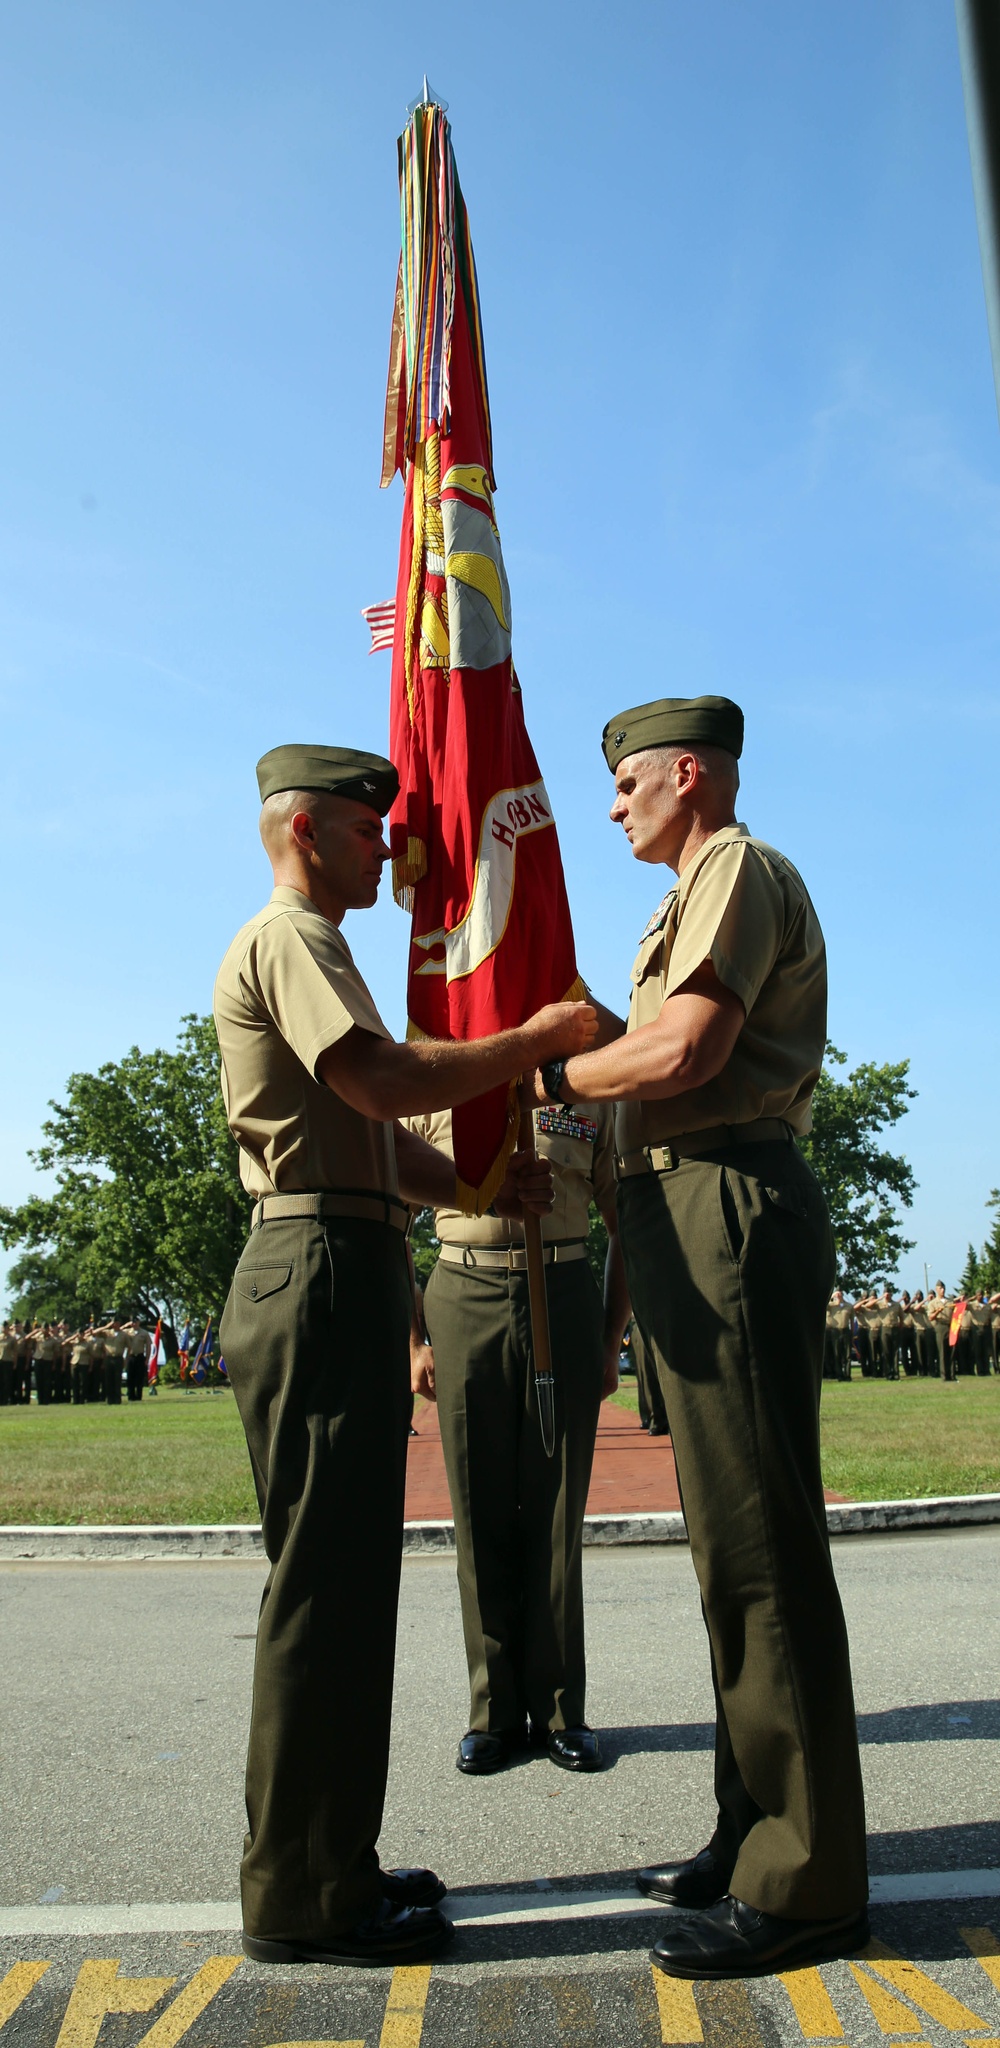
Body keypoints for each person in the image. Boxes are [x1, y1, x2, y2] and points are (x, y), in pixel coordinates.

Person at [214, 742, 596, 1972]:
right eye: (368, 828)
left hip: (348, 1247)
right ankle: (300, 1892)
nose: (392, 846)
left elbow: (381, 1141)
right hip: (317, 1262)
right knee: (323, 1590)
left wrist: (477, 1176)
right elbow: (378, 1084)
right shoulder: (293, 937)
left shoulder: (320, 942)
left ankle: (336, 1858)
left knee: (345, 1582)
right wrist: (527, 1034)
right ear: (307, 829)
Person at [527, 694, 869, 1977]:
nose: (612, 803)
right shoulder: (688, 892)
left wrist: (549, 1069)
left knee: (764, 1552)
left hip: (727, 1197)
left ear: (687, 774)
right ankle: (752, 1833)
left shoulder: (731, 865)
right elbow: (655, 1060)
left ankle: (807, 1880)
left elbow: (683, 1048)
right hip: (685, 1208)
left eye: (625, 783)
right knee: (734, 1552)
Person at [403, 1100, 628, 1776]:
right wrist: (413, 1339)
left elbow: (629, 1224)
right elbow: (390, 1211)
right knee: (480, 1511)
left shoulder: (588, 1095)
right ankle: (494, 1713)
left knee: (558, 1516)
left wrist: (611, 1337)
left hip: (561, 1285)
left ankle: (561, 1711)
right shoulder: (437, 1091)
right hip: (462, 1291)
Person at [927, 1281, 956, 1381]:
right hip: (940, 1326)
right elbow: (930, 1317)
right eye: (940, 1289)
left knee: (952, 1351)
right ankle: (944, 1375)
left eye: (944, 1288)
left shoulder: (950, 1302)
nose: (943, 1290)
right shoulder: (933, 1303)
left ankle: (952, 1375)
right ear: (937, 1289)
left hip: (950, 1326)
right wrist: (938, 1311)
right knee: (942, 1351)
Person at [824, 1291, 853, 1381]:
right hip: (835, 1331)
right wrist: (832, 1296)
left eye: (840, 1294)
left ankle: (847, 1375)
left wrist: (851, 1332)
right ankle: (839, 1374)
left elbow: (852, 1320)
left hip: (845, 1330)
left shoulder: (849, 1306)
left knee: (847, 1355)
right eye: (837, 1294)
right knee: (837, 1354)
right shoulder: (831, 1306)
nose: (838, 1296)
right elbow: (823, 1304)